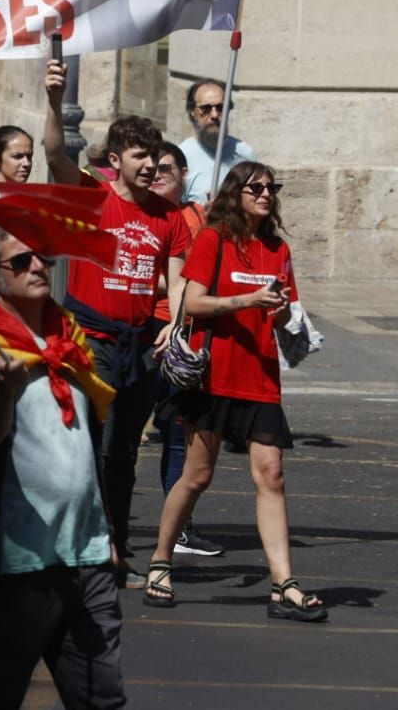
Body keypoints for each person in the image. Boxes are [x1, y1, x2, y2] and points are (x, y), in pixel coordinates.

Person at [0, 224, 126, 709]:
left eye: (39, 257)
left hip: (86, 552)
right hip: (16, 560)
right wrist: (2, 388)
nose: (37, 266)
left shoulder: (69, 334)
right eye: (20, 262)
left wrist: (107, 533)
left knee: (103, 700)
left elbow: (85, 442)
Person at [146, 162, 326, 622]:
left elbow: (285, 318)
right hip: (214, 375)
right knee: (197, 476)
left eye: (271, 187)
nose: (266, 194)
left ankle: (283, 585)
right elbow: (193, 301)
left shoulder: (277, 250)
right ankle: (161, 561)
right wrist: (247, 300)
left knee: (272, 475)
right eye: (256, 187)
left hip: (260, 377)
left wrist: (283, 311)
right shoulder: (214, 240)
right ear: (236, 193)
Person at [44, 64, 191, 570]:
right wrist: (54, 98)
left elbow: (176, 279)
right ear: (115, 160)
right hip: (92, 338)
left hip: (141, 344)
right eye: (140, 155)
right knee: (90, 447)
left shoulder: (169, 217)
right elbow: (53, 154)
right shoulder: (92, 196)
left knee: (124, 452)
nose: (151, 165)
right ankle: (85, 543)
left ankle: (116, 543)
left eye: (155, 156)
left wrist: (176, 319)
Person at [148, 140, 222, 559]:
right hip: (147, 326)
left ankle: (180, 527)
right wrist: (170, 280)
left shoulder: (199, 219)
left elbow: (205, 276)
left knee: (179, 433)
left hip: (183, 333)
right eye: (152, 168)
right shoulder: (142, 216)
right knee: (117, 438)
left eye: (167, 169)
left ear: (183, 175)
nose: (157, 175)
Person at [178, 78, 256, 204]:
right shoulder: (182, 157)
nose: (214, 115)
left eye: (221, 107)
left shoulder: (244, 153)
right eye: (206, 108)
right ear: (192, 111)